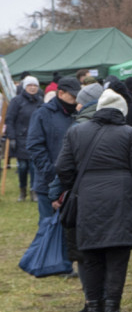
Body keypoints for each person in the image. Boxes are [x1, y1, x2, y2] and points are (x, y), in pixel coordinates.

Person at [54, 89, 132, 312]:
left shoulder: (76, 131)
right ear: (121, 112)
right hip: (121, 199)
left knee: (90, 255)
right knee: (117, 256)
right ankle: (112, 311)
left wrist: (77, 186)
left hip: (88, 199)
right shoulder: (128, 133)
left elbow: (62, 166)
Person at [26, 76, 80, 224]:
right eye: (73, 96)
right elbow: (34, 146)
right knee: (48, 227)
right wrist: (52, 175)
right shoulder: (42, 114)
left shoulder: (78, 114)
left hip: (72, 184)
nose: (75, 100)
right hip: (48, 184)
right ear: (61, 93)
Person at [4, 75, 43, 201]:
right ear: (25, 87)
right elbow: (10, 120)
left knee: (34, 166)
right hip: (20, 138)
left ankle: (34, 191)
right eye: (30, 85)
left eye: (35, 85)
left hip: (36, 138)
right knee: (22, 167)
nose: (32, 88)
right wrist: (12, 137)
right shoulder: (17, 101)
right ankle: (22, 190)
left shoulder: (40, 101)